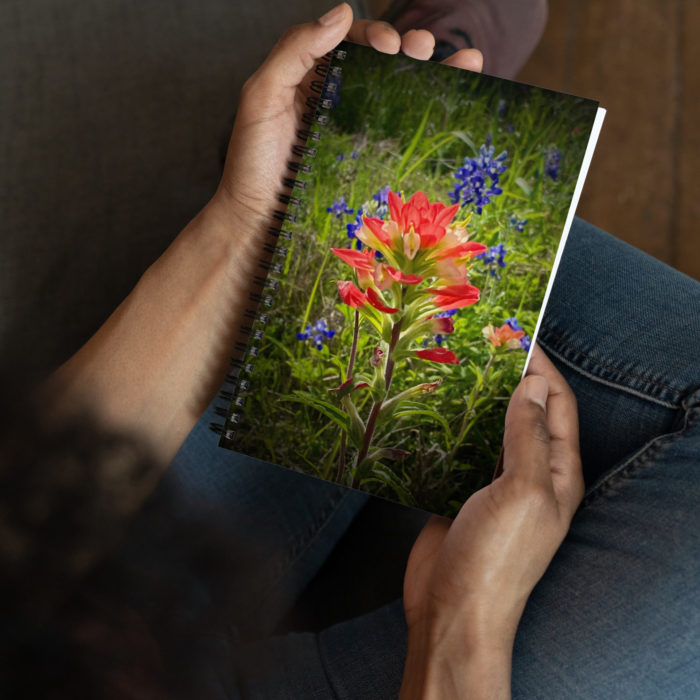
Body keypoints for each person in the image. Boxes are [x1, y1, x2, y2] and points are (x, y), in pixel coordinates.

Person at [1, 3, 698, 698]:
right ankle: (403, 134)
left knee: (326, 283)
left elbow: (21, 524)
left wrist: (244, 224)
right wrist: (458, 629)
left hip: (71, 626)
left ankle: (349, 157)